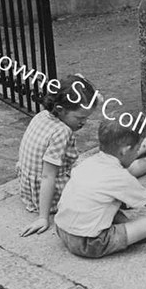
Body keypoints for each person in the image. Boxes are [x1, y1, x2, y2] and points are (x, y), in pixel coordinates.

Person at [54, 118, 146, 258]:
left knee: (107, 205)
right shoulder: (120, 177)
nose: (137, 154)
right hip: (88, 243)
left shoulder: (87, 163)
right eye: (137, 150)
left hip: (61, 228)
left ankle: (125, 228)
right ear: (125, 150)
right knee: (145, 225)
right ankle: (138, 236)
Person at [18, 74, 98, 237]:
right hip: (51, 195)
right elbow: (48, 176)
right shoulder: (62, 132)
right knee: (101, 178)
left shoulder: (43, 115)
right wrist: (43, 218)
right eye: (81, 118)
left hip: (28, 190)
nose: (84, 123)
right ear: (61, 110)